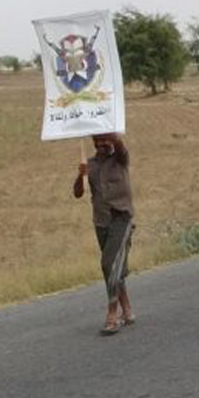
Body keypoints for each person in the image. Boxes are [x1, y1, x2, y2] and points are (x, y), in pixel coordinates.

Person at [73, 133, 135, 335]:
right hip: (101, 221)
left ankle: (112, 313)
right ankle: (127, 310)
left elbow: (120, 145)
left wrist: (111, 134)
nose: (101, 144)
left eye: (104, 140)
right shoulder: (90, 164)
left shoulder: (120, 158)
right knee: (114, 268)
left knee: (109, 264)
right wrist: (80, 175)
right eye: (97, 141)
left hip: (121, 218)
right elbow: (78, 193)